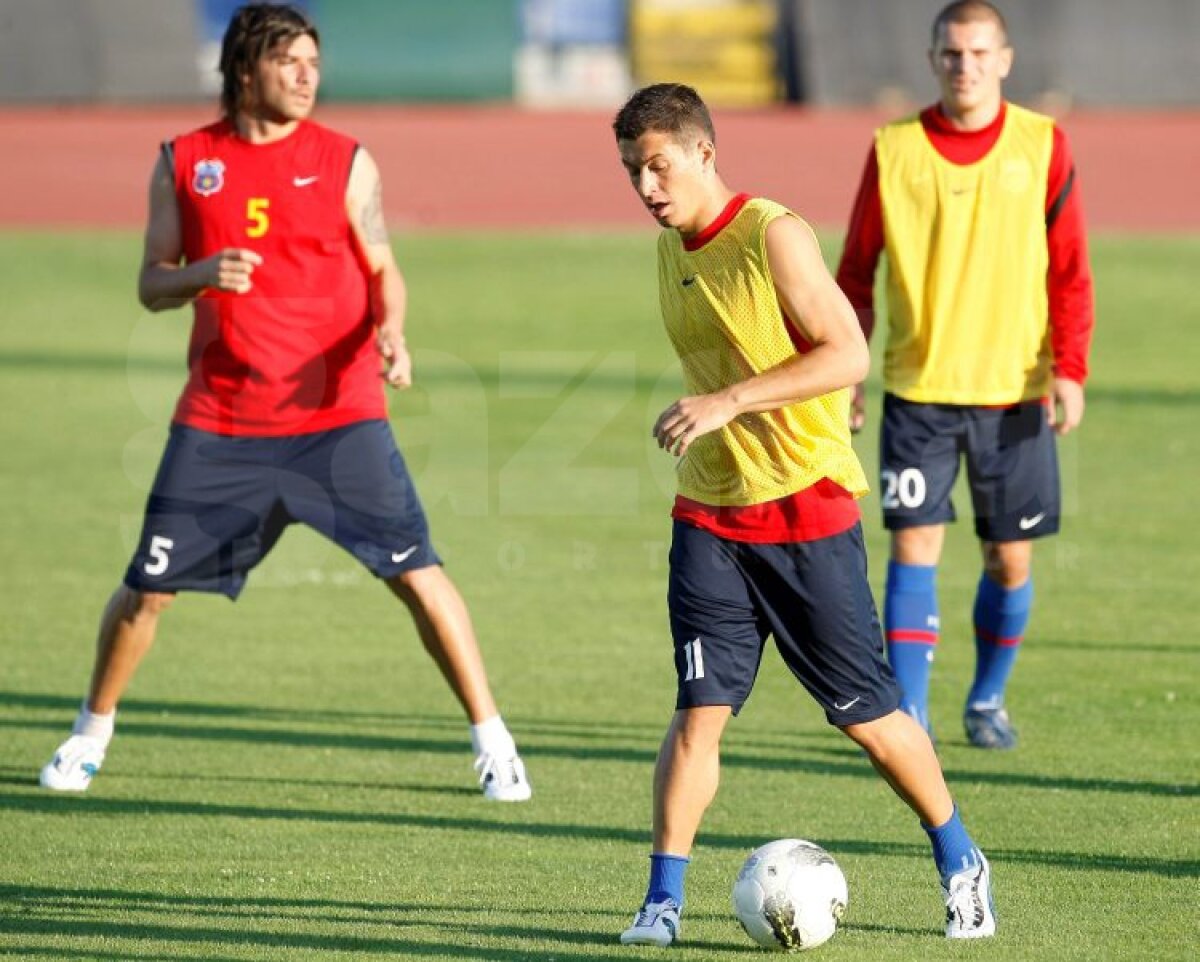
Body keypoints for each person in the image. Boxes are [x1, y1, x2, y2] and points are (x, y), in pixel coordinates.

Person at [38, 3, 530, 803]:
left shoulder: (345, 160)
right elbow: (150, 281)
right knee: (148, 587)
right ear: (244, 70)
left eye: (313, 60)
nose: (308, 76)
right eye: (289, 62)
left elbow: (382, 270)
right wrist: (200, 274)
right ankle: (90, 731)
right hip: (222, 421)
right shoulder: (185, 160)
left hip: (339, 419)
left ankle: (494, 740)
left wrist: (394, 332)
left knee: (419, 575)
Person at [611, 83, 995, 946]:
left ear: (706, 153)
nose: (646, 187)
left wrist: (728, 401)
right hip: (710, 515)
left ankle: (961, 857)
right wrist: (717, 415)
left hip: (805, 512)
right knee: (698, 711)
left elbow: (848, 349)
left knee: (867, 717)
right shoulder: (672, 245)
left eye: (659, 166)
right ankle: (662, 902)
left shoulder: (771, 233)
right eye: (634, 171)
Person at [836, 0, 1094, 750]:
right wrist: (846, 371)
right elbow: (855, 272)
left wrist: (1069, 370)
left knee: (1008, 558)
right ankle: (908, 714)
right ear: (932, 60)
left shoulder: (1043, 144)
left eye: (980, 53)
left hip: (1015, 390)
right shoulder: (894, 148)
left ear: (1005, 60)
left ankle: (986, 700)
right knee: (914, 545)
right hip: (918, 389)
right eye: (952, 54)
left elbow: (1071, 271)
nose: (966, 66)